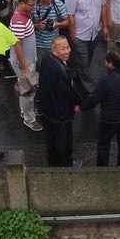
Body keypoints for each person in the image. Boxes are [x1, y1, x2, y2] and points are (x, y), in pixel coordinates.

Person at [78, 49, 120, 167]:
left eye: (106, 60)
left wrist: (81, 107)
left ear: (111, 64)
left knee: (103, 144)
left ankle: (102, 169)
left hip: (110, 119)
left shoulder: (106, 81)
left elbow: (94, 99)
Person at [36, 36, 81, 167]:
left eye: (68, 47)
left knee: (51, 137)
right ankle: (66, 163)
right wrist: (79, 103)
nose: (67, 51)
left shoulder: (46, 60)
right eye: (63, 48)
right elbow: (67, 91)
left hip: (47, 109)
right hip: (60, 112)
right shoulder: (59, 69)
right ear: (54, 50)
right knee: (63, 139)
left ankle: (53, 161)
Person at [64, 0, 108, 94]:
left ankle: (77, 75)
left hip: (94, 33)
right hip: (80, 35)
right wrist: (73, 36)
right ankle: (89, 87)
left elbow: (103, 7)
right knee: (84, 60)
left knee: (88, 58)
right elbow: (70, 15)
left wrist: (105, 27)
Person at [8, 0, 42, 132]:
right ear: (22, 3)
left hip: (28, 60)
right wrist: (25, 67)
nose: (34, 7)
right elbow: (17, 46)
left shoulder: (23, 15)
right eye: (32, 4)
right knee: (27, 91)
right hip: (25, 62)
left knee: (27, 90)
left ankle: (26, 111)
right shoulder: (19, 21)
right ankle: (29, 119)